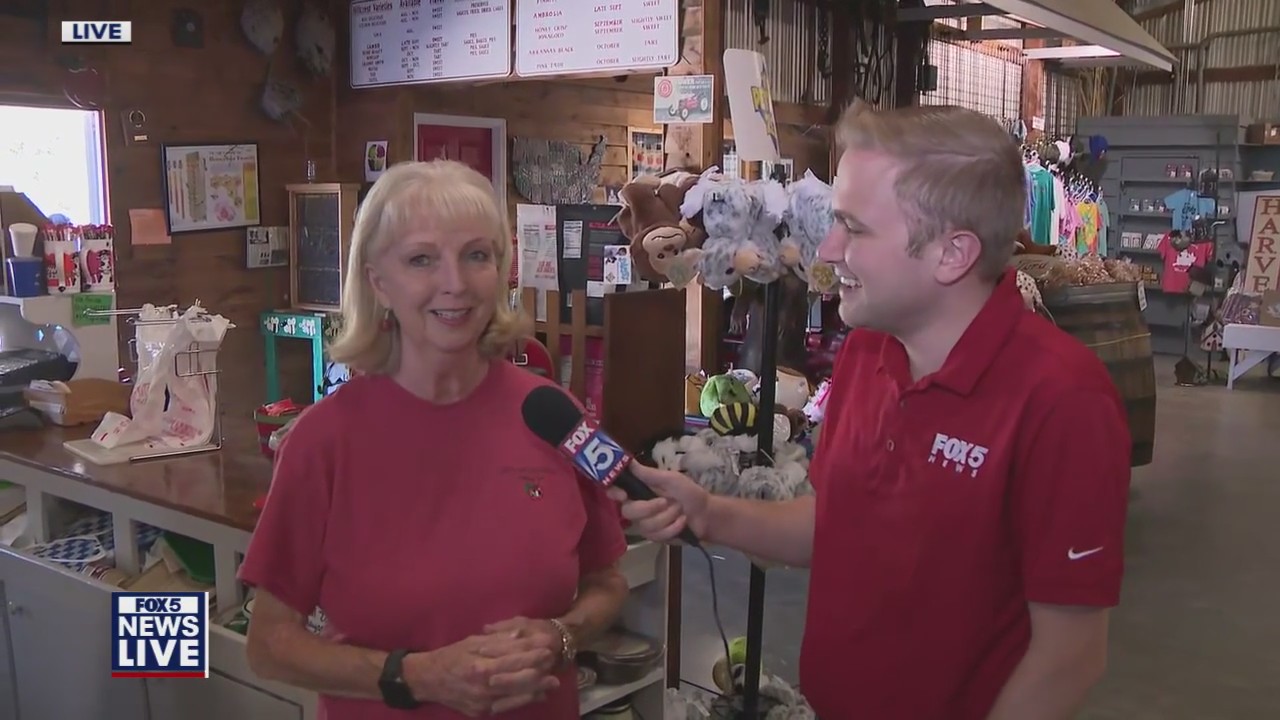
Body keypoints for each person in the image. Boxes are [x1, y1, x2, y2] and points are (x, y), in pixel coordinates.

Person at [611, 104, 1132, 720]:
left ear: (951, 253)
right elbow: (840, 525)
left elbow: (1067, 657)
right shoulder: (867, 352)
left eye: (854, 229)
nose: (829, 249)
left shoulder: (1062, 400)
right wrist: (712, 514)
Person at [240, 159, 630, 719]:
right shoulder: (324, 441)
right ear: (378, 281)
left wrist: (563, 636)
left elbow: (607, 581)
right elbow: (270, 645)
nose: (455, 282)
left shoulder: (556, 417)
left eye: (477, 255)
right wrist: (418, 676)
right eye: (422, 259)